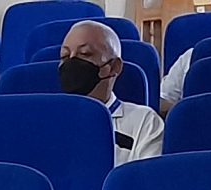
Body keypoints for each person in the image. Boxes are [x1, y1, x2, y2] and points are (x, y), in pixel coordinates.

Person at [58, 21, 162, 165]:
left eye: (85, 54)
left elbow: (145, 177)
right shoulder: (47, 119)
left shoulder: (144, 121)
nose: (72, 62)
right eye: (65, 56)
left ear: (114, 67)